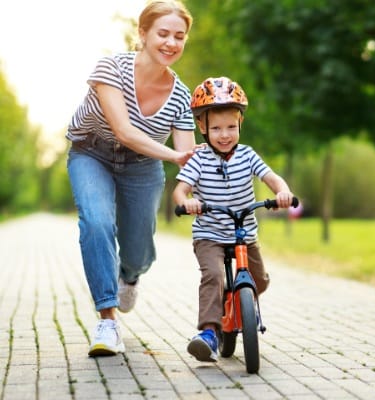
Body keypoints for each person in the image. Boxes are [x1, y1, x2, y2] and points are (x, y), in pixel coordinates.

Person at [66, 0, 195, 357]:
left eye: (179, 37)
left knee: (138, 247)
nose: (171, 43)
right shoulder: (111, 67)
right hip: (91, 153)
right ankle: (107, 321)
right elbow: (123, 131)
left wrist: (198, 190)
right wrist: (173, 155)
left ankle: (131, 276)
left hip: (142, 165)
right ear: (142, 33)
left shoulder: (182, 96)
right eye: (163, 33)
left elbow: (190, 158)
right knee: (96, 222)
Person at [172, 77, 294, 362]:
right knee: (213, 276)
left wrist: (283, 192)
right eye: (216, 128)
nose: (224, 134)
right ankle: (209, 334)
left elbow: (271, 178)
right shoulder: (199, 160)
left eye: (230, 127)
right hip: (210, 235)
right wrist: (187, 202)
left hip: (244, 233)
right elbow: (179, 190)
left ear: (240, 122)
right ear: (202, 128)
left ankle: (238, 306)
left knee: (260, 281)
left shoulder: (248, 155)